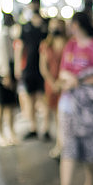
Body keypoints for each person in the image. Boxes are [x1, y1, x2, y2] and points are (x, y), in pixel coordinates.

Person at [52, 12, 93, 185]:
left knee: (92, 150)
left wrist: (78, 80)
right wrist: (65, 79)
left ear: (77, 25)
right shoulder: (71, 45)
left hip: (91, 108)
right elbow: (61, 74)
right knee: (68, 149)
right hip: (68, 107)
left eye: (71, 24)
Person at [15, 0, 49, 139]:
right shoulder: (25, 26)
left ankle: (45, 128)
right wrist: (18, 66)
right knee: (30, 99)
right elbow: (20, 46)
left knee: (44, 99)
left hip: (44, 68)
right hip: (29, 67)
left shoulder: (46, 25)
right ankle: (33, 127)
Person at [39, 18, 67, 158]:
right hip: (52, 85)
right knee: (57, 116)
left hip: (66, 84)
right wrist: (53, 83)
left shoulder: (69, 44)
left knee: (66, 116)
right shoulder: (45, 45)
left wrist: (62, 82)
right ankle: (59, 144)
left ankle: (66, 144)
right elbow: (43, 68)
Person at [0, 13, 18, 146]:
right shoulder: (3, 36)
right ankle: (1, 134)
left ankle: (10, 133)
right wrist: (5, 75)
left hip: (6, 72)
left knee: (9, 105)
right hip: (3, 73)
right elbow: (3, 57)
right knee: (1, 104)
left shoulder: (7, 35)